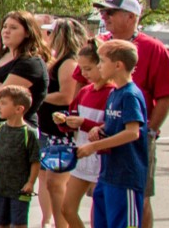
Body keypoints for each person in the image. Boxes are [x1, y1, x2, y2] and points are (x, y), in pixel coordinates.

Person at [91, 0, 169, 228]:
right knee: (105, 201)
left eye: (110, 12)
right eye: (102, 12)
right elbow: (83, 80)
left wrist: (149, 130)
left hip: (133, 136)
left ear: (131, 17)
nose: (104, 16)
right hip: (105, 134)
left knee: (138, 201)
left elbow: (167, 94)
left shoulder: (154, 48)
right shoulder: (99, 43)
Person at [77, 39, 150, 228]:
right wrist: (100, 128)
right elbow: (114, 124)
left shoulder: (130, 94)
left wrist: (93, 146)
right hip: (108, 173)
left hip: (126, 176)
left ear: (118, 65)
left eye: (102, 61)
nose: (99, 66)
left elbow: (132, 133)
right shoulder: (115, 93)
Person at [0, 10, 49, 166]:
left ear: (28, 32)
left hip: (15, 132)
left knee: (6, 183)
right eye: (5, 26)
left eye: (14, 27)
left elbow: (3, 98)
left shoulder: (31, 62)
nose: (6, 31)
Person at [40, 18, 88, 228]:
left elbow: (66, 97)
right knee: (49, 181)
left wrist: (39, 97)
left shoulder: (69, 62)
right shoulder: (58, 60)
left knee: (56, 182)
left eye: (51, 34)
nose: (47, 38)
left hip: (62, 131)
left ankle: (62, 224)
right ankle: (52, 221)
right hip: (50, 129)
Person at [56, 41, 108, 228]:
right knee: (67, 208)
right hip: (81, 156)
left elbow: (110, 128)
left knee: (100, 212)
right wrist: (64, 122)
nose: (84, 74)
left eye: (88, 68)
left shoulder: (113, 93)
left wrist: (83, 123)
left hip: (102, 159)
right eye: (81, 68)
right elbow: (74, 117)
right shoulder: (85, 91)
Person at [0, 85, 42, 228]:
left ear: (19, 109)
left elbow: (35, 161)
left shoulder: (29, 133)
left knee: (19, 223)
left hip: (20, 190)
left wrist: (30, 183)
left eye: (3, 103)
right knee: (1, 222)